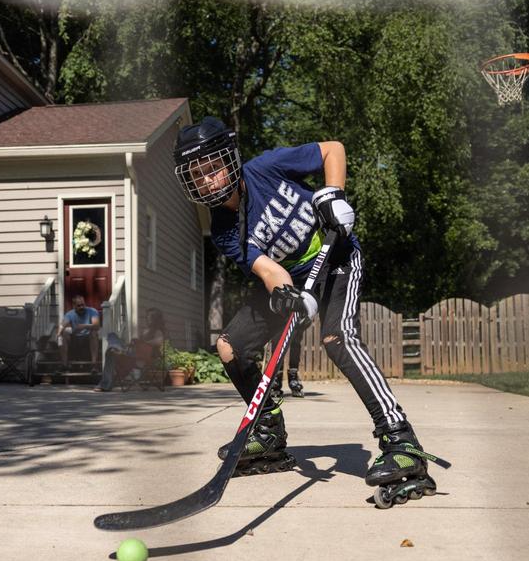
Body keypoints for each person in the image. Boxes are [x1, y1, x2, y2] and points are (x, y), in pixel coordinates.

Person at [172, 116, 443, 502]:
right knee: (230, 345)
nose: (209, 180)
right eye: (198, 175)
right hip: (296, 280)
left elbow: (334, 148)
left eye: (214, 167)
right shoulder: (224, 230)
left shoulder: (266, 168)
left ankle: (402, 442)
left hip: (339, 261)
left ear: (230, 159)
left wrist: (333, 194)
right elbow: (268, 268)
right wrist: (287, 297)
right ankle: (268, 433)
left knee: (338, 339)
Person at [95, 307, 167, 391]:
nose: (147, 318)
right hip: (132, 352)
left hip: (140, 357)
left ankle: (104, 385)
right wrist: (134, 343)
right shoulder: (145, 331)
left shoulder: (158, 331)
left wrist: (142, 343)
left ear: (155, 319)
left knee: (111, 352)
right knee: (111, 337)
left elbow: (159, 341)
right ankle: (117, 349)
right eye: (147, 316)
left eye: (150, 317)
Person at [58, 295, 101, 368]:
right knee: (63, 333)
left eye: (83, 305)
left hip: (88, 338)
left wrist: (83, 326)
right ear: (74, 306)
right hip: (75, 339)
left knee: (94, 332)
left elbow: (96, 326)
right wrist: (59, 334)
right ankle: (64, 364)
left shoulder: (92, 311)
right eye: (79, 305)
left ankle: (94, 364)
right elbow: (62, 325)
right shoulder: (70, 314)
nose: (81, 307)